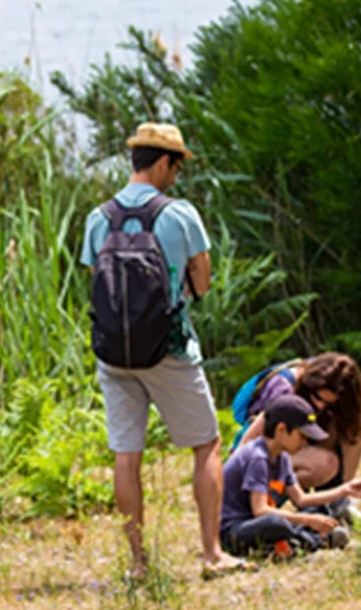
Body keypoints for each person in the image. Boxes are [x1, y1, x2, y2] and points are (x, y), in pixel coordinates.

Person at [81, 121, 242, 579]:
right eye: (177, 165)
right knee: (206, 444)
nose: (178, 176)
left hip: (113, 354)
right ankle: (212, 554)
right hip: (170, 350)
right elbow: (203, 282)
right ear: (164, 162)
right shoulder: (180, 214)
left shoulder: (98, 218)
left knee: (126, 453)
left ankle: (137, 564)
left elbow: (98, 286)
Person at [220, 394, 361, 557]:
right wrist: (307, 520)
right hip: (234, 531)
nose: (305, 442)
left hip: (256, 524)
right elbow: (261, 511)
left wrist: (344, 490)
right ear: (281, 430)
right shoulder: (257, 457)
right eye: (302, 435)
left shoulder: (282, 457)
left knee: (316, 510)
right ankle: (313, 541)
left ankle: (299, 542)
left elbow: (300, 499)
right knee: (276, 523)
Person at [236, 353, 361, 498]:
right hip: (258, 456)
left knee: (357, 422)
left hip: (293, 451)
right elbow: (246, 445)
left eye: (329, 404)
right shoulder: (284, 395)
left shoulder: (330, 384)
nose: (320, 405)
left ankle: (339, 498)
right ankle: (267, 496)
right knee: (325, 464)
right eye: (317, 398)